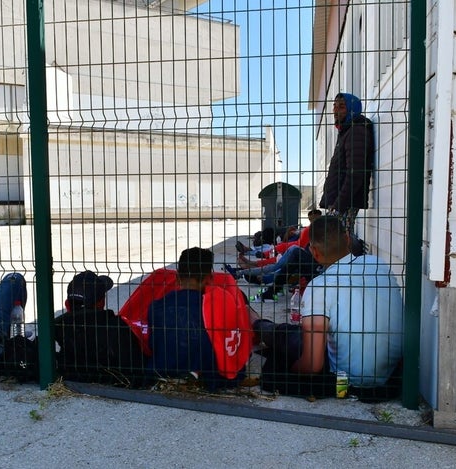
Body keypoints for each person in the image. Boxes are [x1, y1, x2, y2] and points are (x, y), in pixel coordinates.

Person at [253, 216, 403, 401]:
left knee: (288, 334)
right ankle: (259, 325)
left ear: (314, 252)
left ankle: (253, 322)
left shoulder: (319, 286)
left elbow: (312, 364)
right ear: (347, 238)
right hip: (390, 373)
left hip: (345, 380)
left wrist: (289, 368)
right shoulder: (379, 265)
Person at [146, 247, 246, 391]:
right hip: (209, 376)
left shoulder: (156, 306)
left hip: (162, 370)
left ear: (178, 277)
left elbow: (152, 343)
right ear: (208, 278)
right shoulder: (219, 305)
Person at [53, 270, 145, 387]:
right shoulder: (117, 327)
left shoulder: (59, 327)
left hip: (74, 380)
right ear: (101, 302)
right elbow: (137, 372)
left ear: (67, 305)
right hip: (116, 386)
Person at [319, 93, 374, 256]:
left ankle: (345, 275)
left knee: (339, 242)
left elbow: (355, 172)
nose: (335, 110)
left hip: (344, 202)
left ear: (352, 109)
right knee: (337, 242)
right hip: (339, 201)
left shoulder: (356, 131)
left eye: (341, 106)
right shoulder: (347, 131)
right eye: (334, 106)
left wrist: (338, 204)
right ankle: (340, 274)